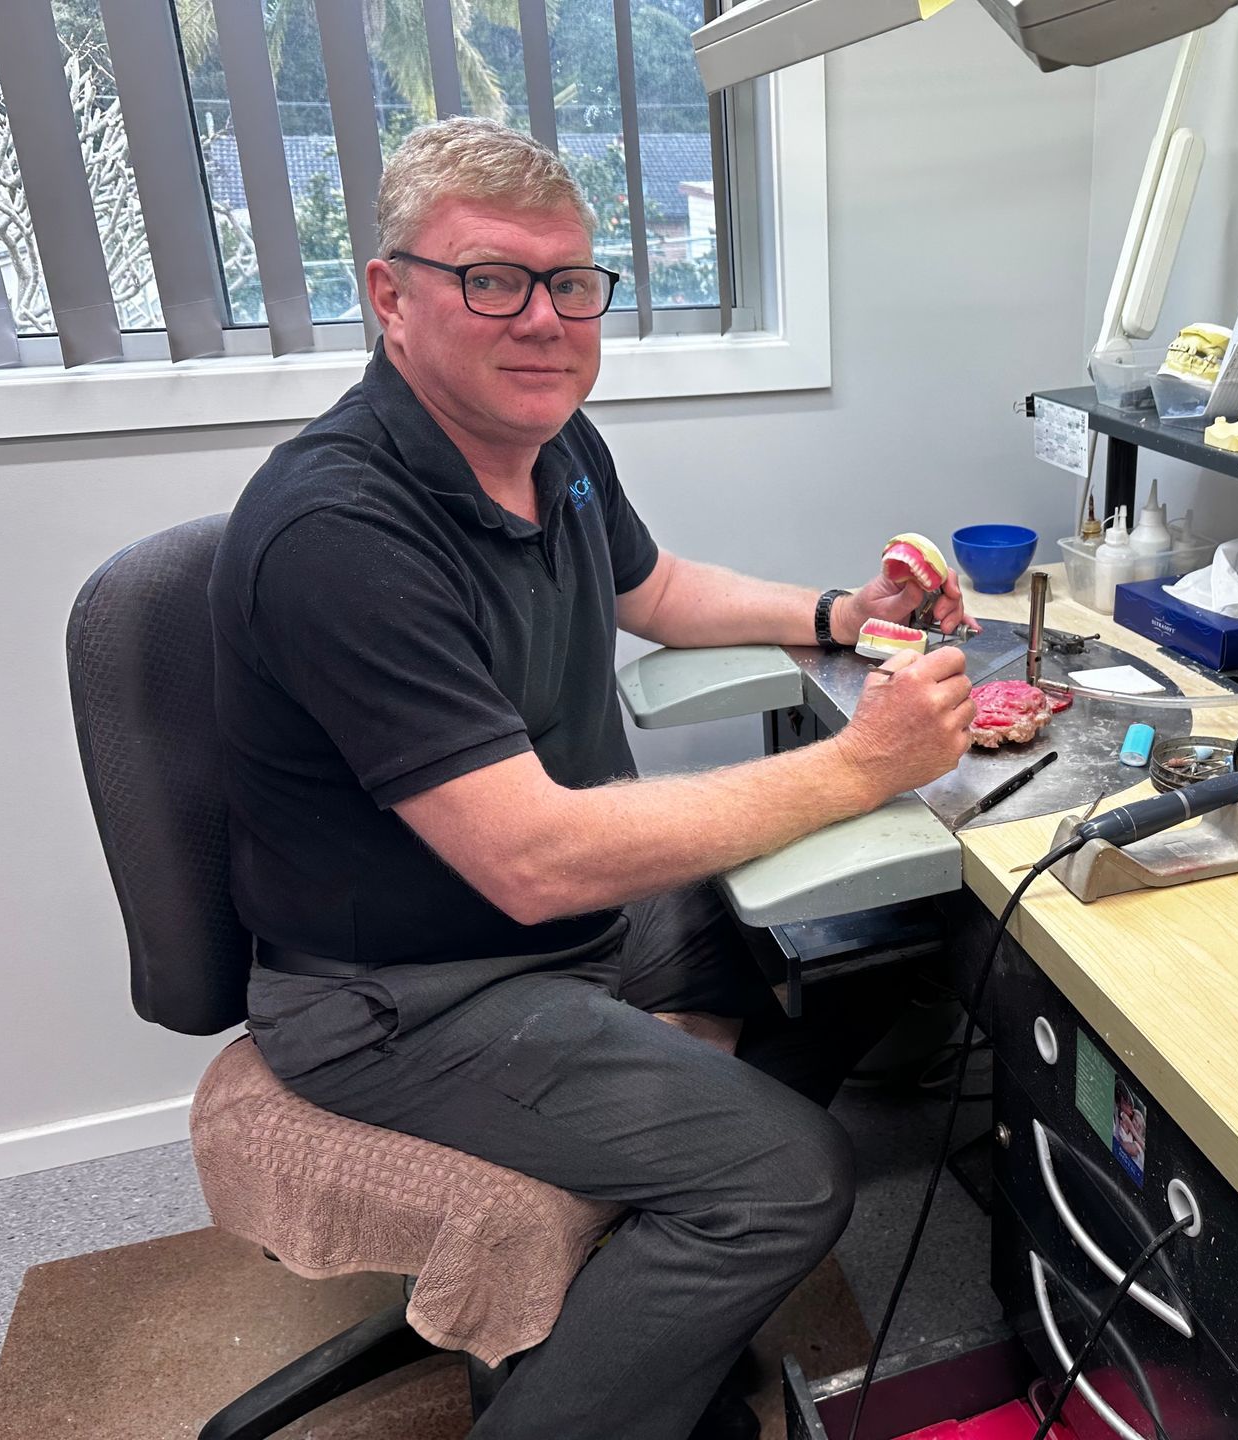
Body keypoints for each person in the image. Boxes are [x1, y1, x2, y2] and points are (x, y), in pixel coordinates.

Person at [209, 116, 978, 1440]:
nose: (545, 319)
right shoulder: (340, 530)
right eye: (493, 279)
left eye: (571, 282)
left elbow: (659, 591)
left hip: (564, 931)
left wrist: (844, 612)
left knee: (861, 942)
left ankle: (649, 1305)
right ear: (392, 296)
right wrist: (862, 766)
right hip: (407, 994)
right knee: (787, 1177)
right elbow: (532, 858)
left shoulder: (550, 440)